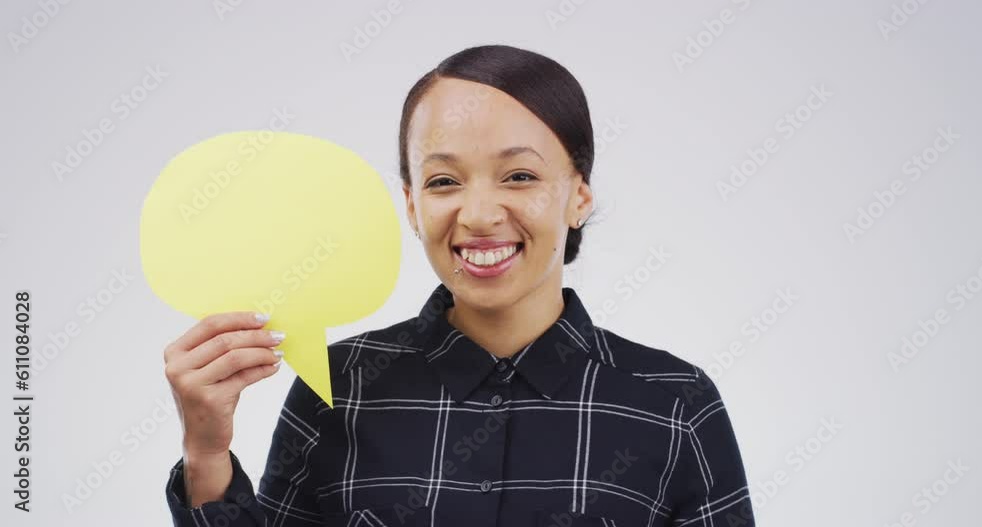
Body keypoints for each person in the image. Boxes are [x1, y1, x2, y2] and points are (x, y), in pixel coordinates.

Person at [163, 44, 756, 527]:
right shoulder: (337, 391)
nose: (477, 214)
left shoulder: (677, 405)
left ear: (579, 193)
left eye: (519, 175)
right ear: (412, 205)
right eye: (444, 181)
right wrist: (207, 454)